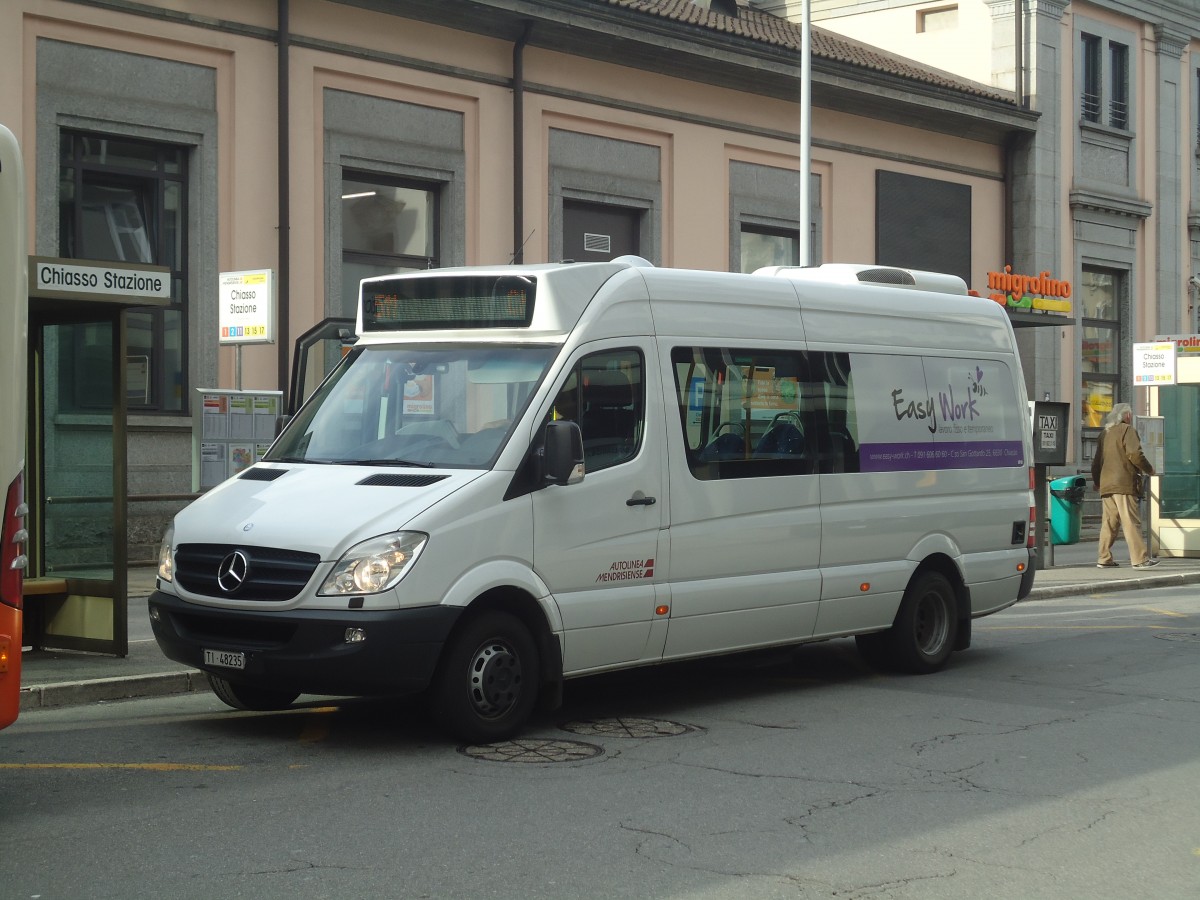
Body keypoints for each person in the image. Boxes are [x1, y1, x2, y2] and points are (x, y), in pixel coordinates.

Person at [1091, 402, 1157, 568]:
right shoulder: (1127, 430)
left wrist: (1097, 482)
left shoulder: (1105, 433)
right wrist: (1149, 469)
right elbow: (1135, 454)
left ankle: (1104, 558)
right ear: (1127, 416)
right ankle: (1140, 559)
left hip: (1106, 484)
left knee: (1109, 523)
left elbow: (1097, 461)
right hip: (1124, 483)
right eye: (1130, 415)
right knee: (1130, 521)